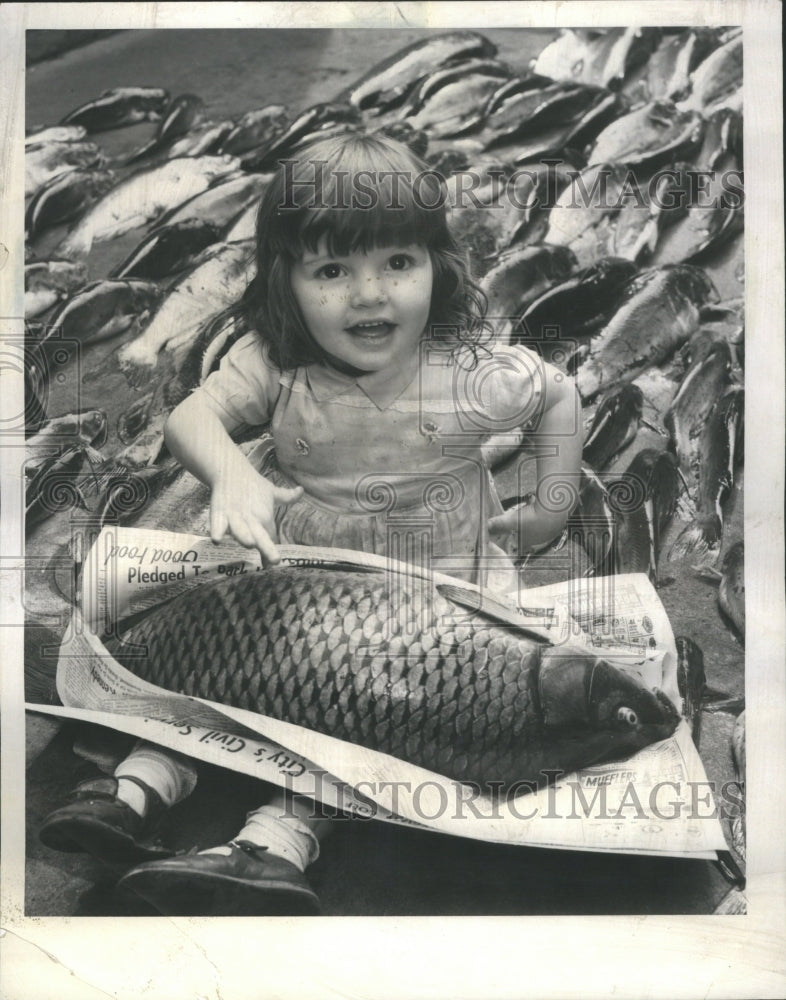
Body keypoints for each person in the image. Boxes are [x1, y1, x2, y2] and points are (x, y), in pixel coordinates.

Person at [39, 132, 582, 915]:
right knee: (231, 681)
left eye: (398, 263)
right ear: (284, 283)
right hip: (302, 588)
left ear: (439, 265)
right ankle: (130, 793)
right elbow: (192, 414)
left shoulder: (468, 373)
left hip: (434, 603)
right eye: (332, 270)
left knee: (352, 721)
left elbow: (559, 394)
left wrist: (547, 510)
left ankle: (273, 847)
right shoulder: (274, 364)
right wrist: (230, 471)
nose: (370, 295)